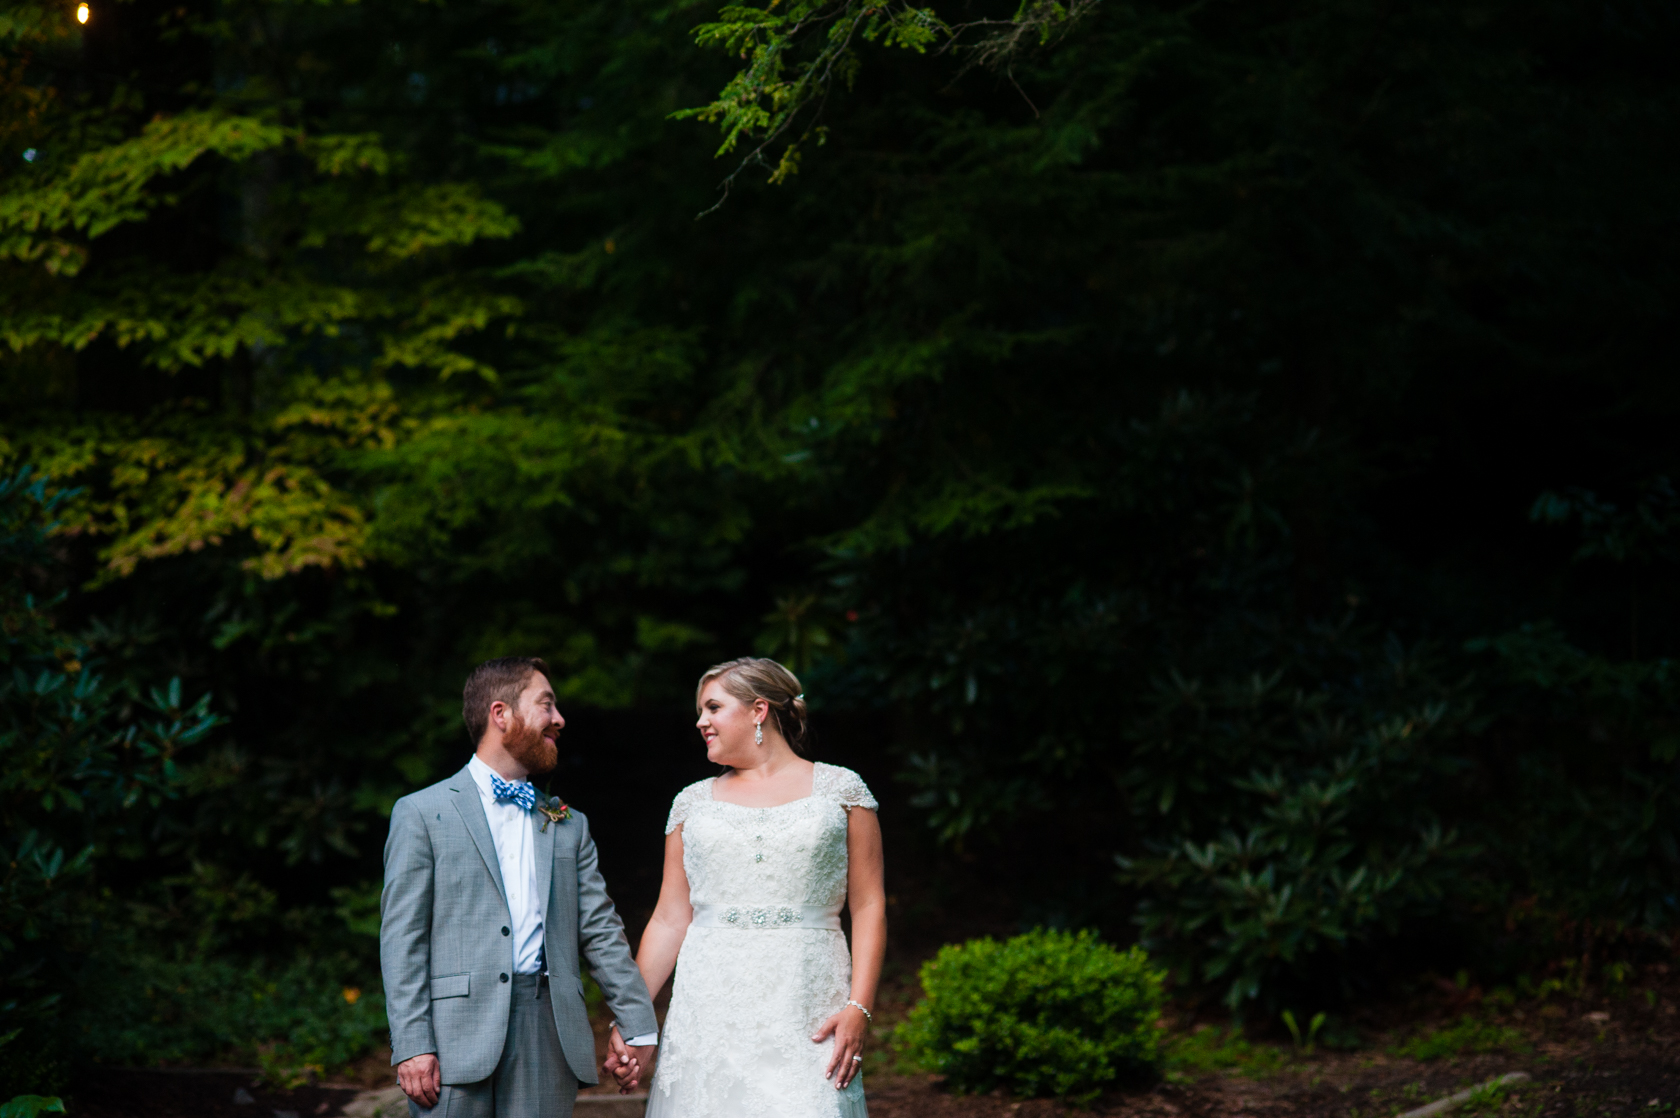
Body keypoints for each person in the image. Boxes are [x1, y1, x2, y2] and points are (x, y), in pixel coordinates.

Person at [380, 656, 659, 1117]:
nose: (559, 719)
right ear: (500, 714)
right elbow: (402, 938)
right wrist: (412, 1042)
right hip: (451, 1040)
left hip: (546, 1034)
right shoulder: (421, 813)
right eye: (546, 704)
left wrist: (638, 1025)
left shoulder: (568, 824)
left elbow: (601, 932)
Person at [622, 657, 887, 1118]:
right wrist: (633, 1019)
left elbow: (868, 905)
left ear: (758, 710)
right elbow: (669, 917)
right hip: (709, 1006)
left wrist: (858, 1008)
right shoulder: (692, 803)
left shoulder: (842, 790)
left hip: (808, 1004)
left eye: (712, 707)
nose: (700, 721)